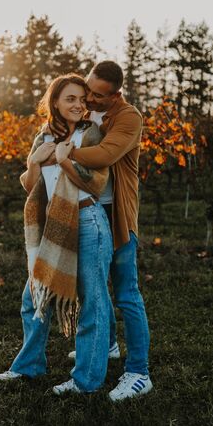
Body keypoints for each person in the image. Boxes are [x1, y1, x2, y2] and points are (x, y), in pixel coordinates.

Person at [0, 74, 114, 394]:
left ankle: (86, 380)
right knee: (33, 299)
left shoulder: (92, 133)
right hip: (54, 226)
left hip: (89, 221)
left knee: (93, 302)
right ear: (55, 103)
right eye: (70, 99)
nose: (78, 105)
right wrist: (35, 161)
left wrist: (64, 160)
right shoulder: (44, 135)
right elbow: (32, 186)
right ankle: (29, 366)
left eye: (81, 99)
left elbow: (95, 182)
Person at [58, 61, 153, 402]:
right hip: (90, 214)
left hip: (119, 217)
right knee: (94, 289)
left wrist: (61, 156)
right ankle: (108, 346)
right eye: (89, 90)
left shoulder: (128, 117)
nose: (91, 99)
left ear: (115, 95)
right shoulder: (86, 111)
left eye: (99, 95)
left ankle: (139, 372)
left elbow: (104, 155)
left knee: (127, 292)